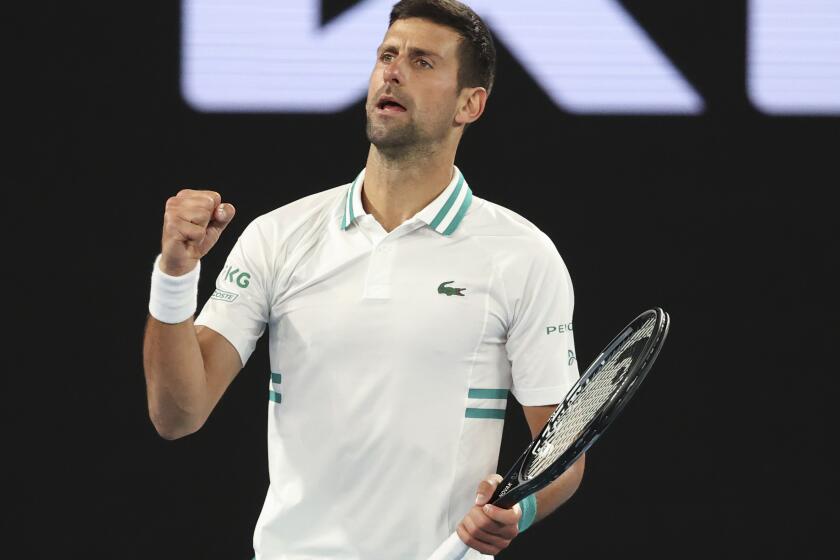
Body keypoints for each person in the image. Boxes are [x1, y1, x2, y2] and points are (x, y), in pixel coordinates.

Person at [143, 1, 584, 558]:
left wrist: (518, 509)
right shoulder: (276, 237)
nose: (392, 72)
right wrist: (176, 276)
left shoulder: (523, 255)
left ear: (469, 104)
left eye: (423, 62)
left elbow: (564, 450)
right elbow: (177, 414)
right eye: (387, 55)